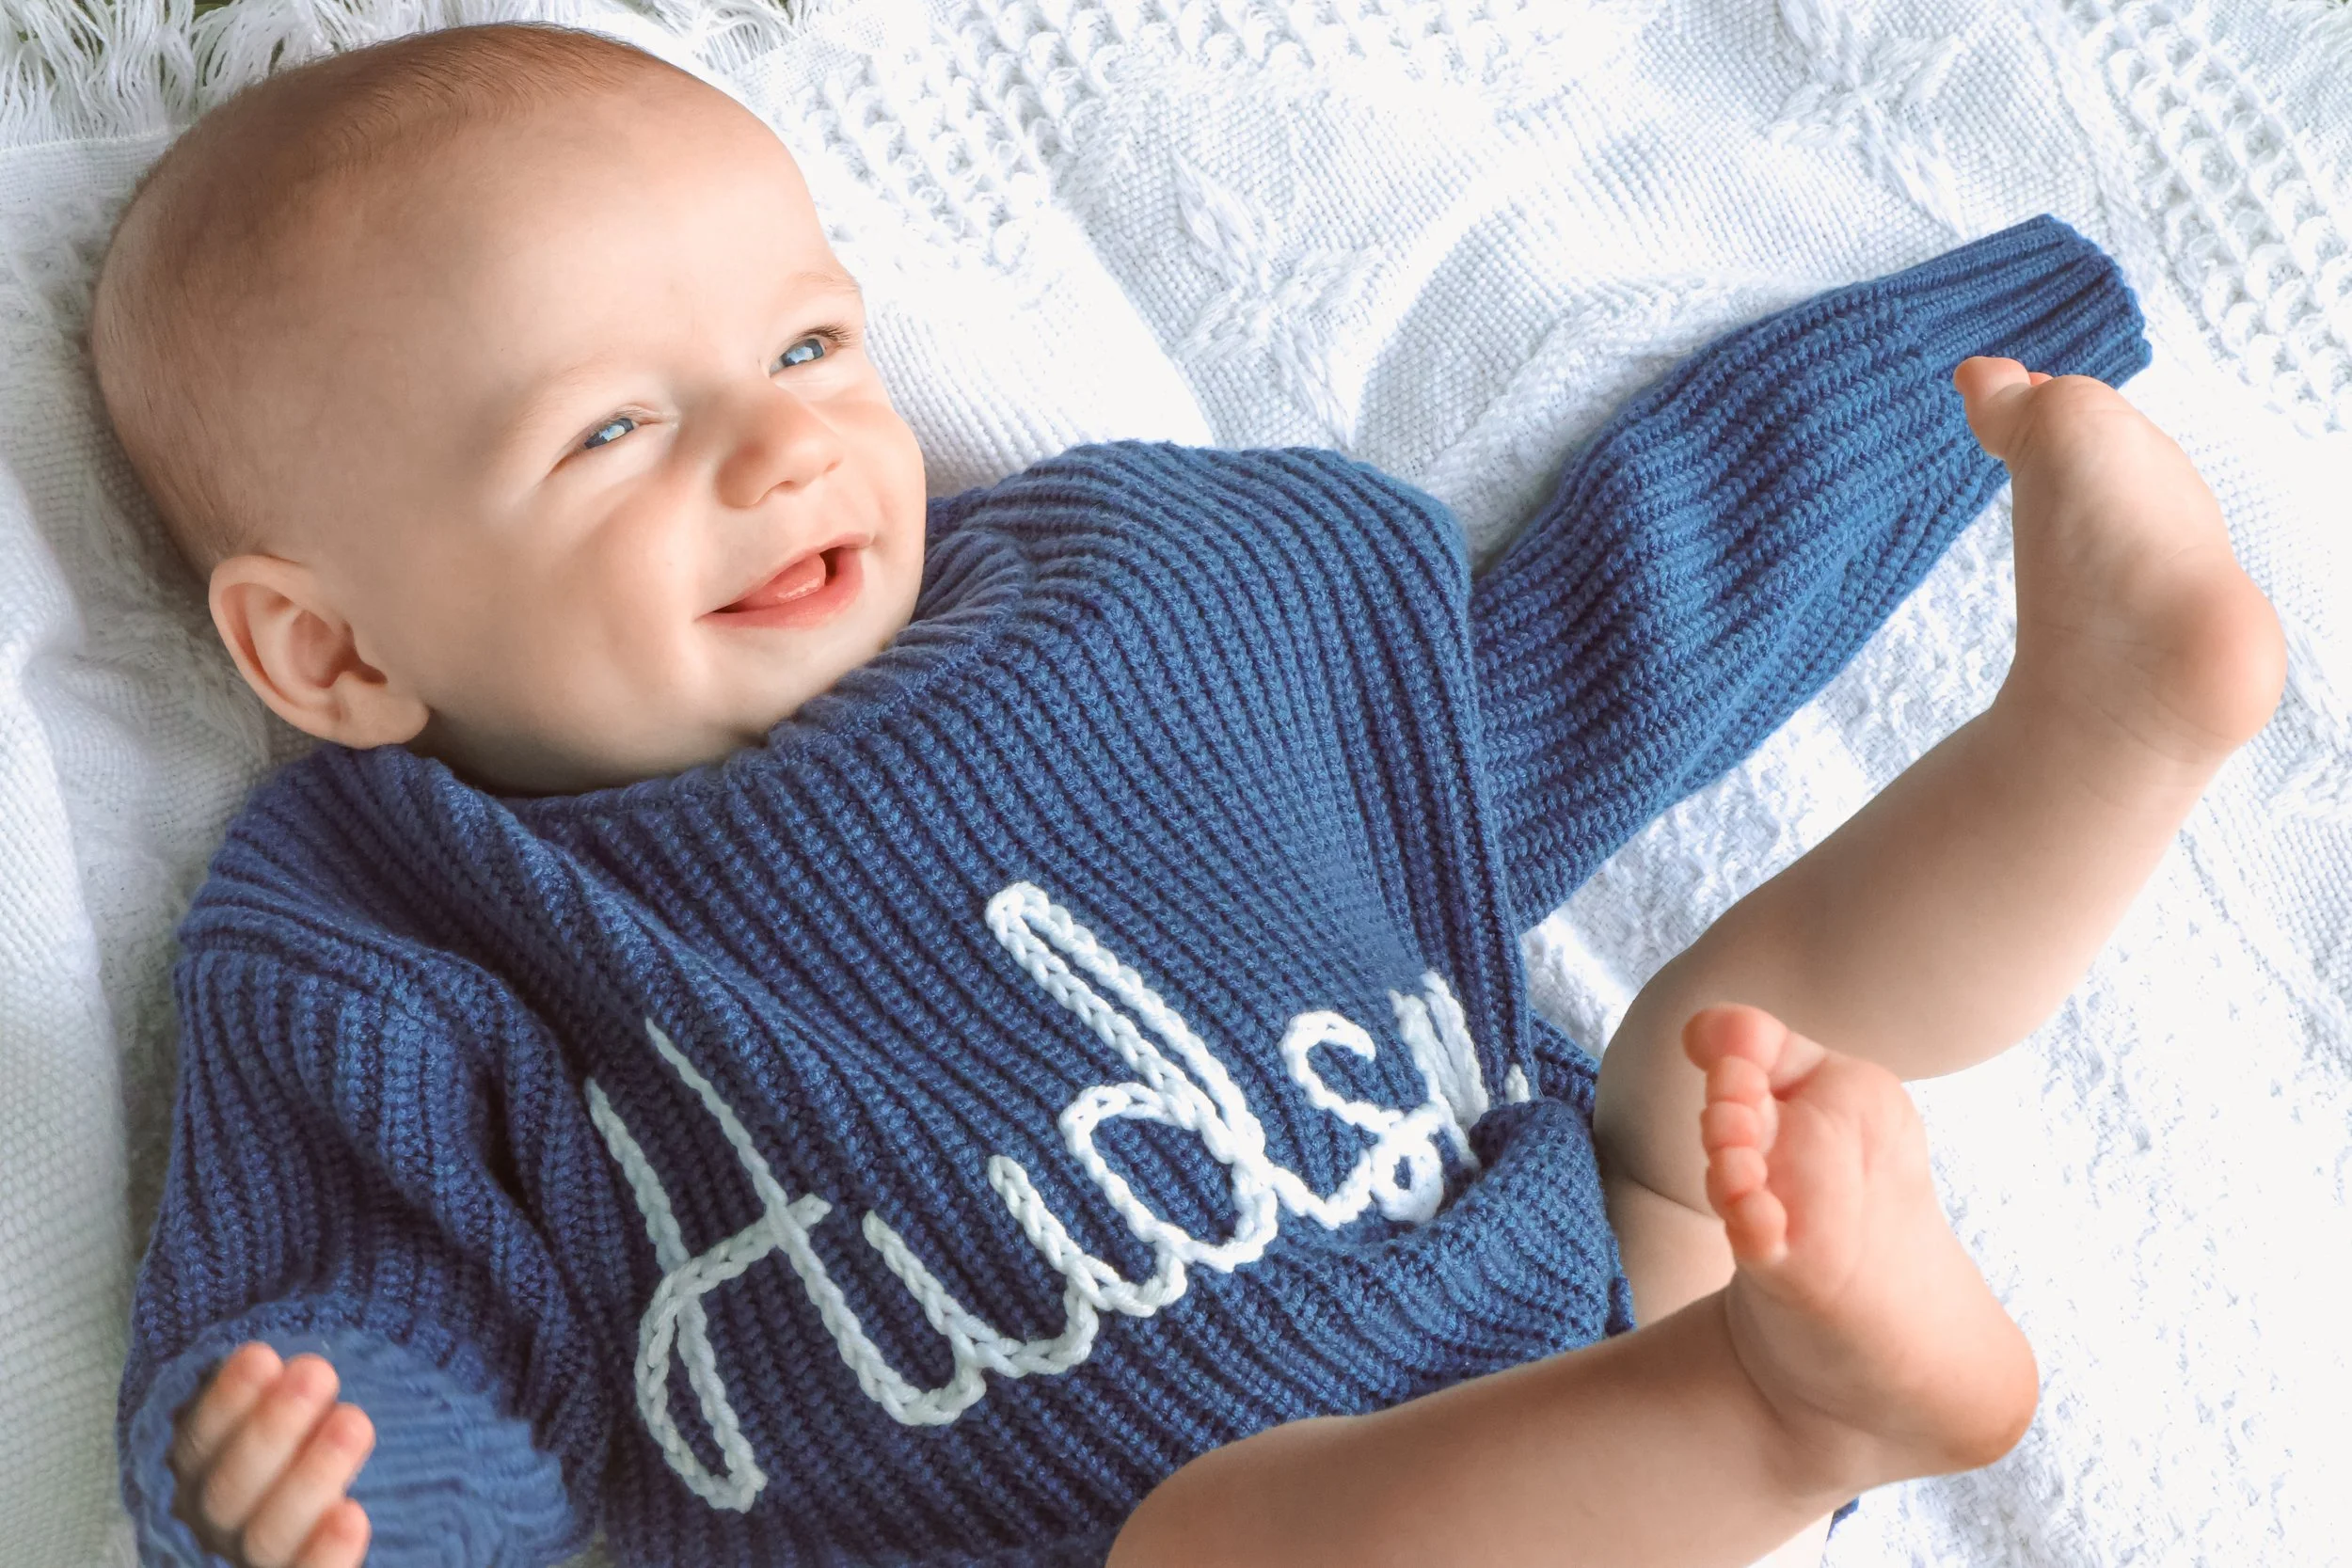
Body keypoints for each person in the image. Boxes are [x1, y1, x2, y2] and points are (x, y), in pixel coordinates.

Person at [87, 21, 2284, 1568]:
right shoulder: (396, 915)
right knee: (1222, 1535)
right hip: (1117, 1527)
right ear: (335, 651)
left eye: (804, 348)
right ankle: (1793, 1404)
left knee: (1728, 1039)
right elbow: (393, 1299)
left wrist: (1966, 384)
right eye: (608, 433)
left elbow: (1585, 664)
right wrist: (340, 1468)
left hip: (1581, 1259)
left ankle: (2100, 725)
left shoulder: (1137, 608)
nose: (780, 449)